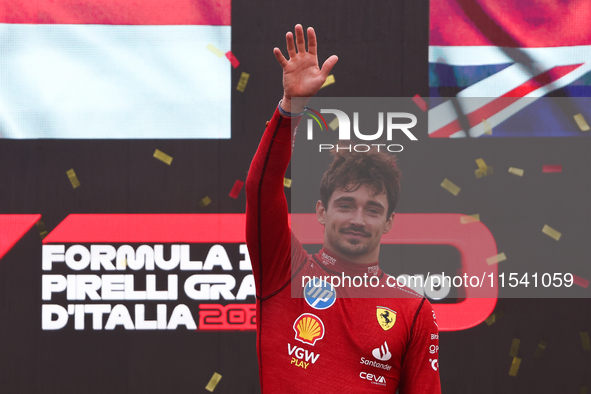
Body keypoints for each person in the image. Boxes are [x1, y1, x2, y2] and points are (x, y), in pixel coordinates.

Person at [245, 24, 441, 393]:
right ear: (321, 211)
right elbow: (261, 189)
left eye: (372, 209)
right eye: (346, 205)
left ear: (388, 222)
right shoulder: (284, 271)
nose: (357, 219)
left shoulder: (414, 310)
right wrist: (291, 110)